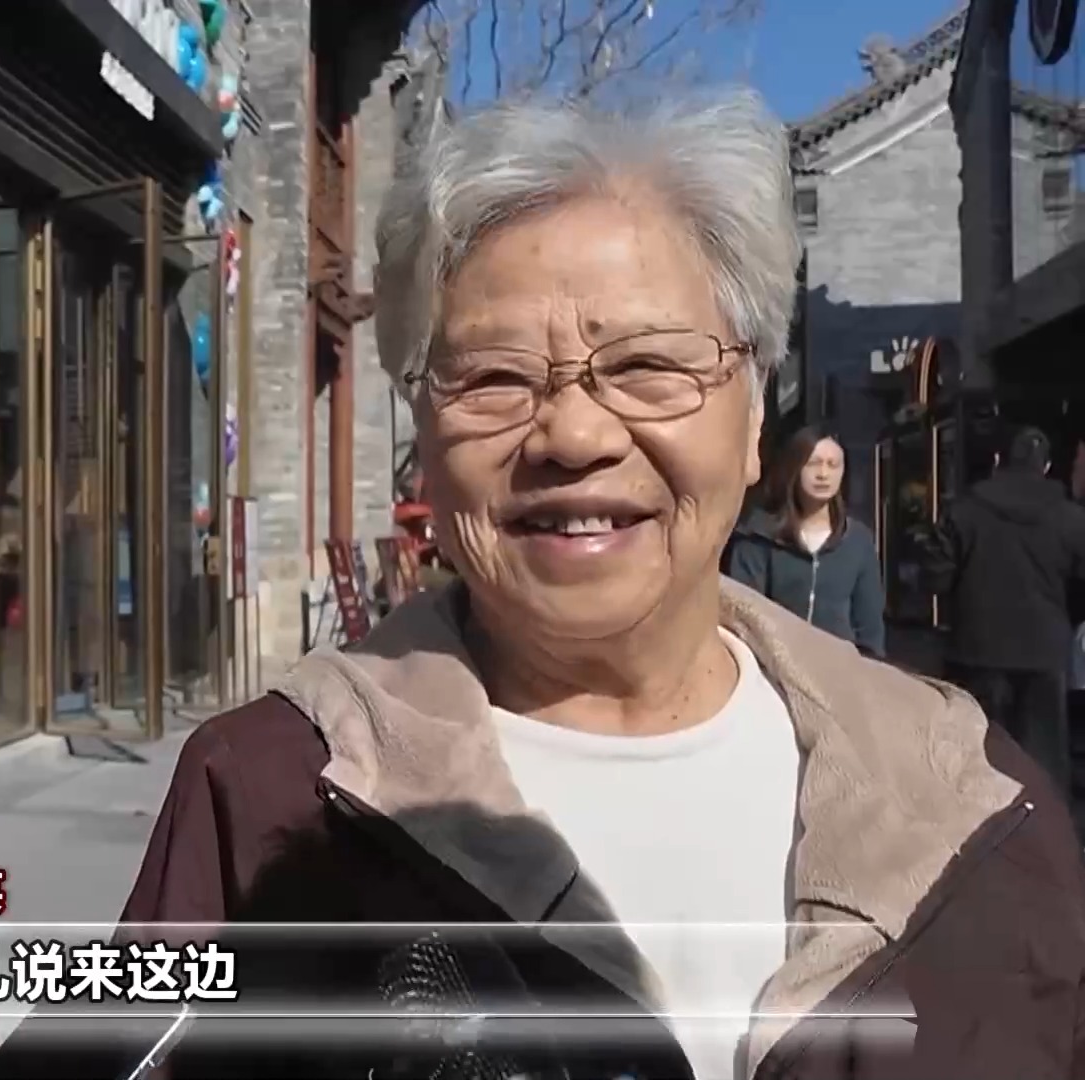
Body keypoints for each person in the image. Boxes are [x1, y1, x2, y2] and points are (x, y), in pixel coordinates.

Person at [119, 90, 1084, 1080]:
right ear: (424, 442)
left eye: (649, 368)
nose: (574, 438)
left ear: (755, 423)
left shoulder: (965, 795)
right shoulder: (269, 792)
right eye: (494, 378)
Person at [924, 426, 1085, 822]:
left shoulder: (963, 511)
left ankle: (979, 836)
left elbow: (935, 577)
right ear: (1046, 467)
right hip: (1046, 653)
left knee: (980, 751)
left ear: (998, 461)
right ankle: (1042, 839)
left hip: (975, 650)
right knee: (1043, 759)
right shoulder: (1071, 519)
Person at [725, 426, 885, 656]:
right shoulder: (758, 538)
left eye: (833, 464)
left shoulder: (857, 541)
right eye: (813, 463)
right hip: (775, 665)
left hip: (840, 673)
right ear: (794, 468)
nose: (823, 474)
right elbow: (742, 614)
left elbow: (869, 626)